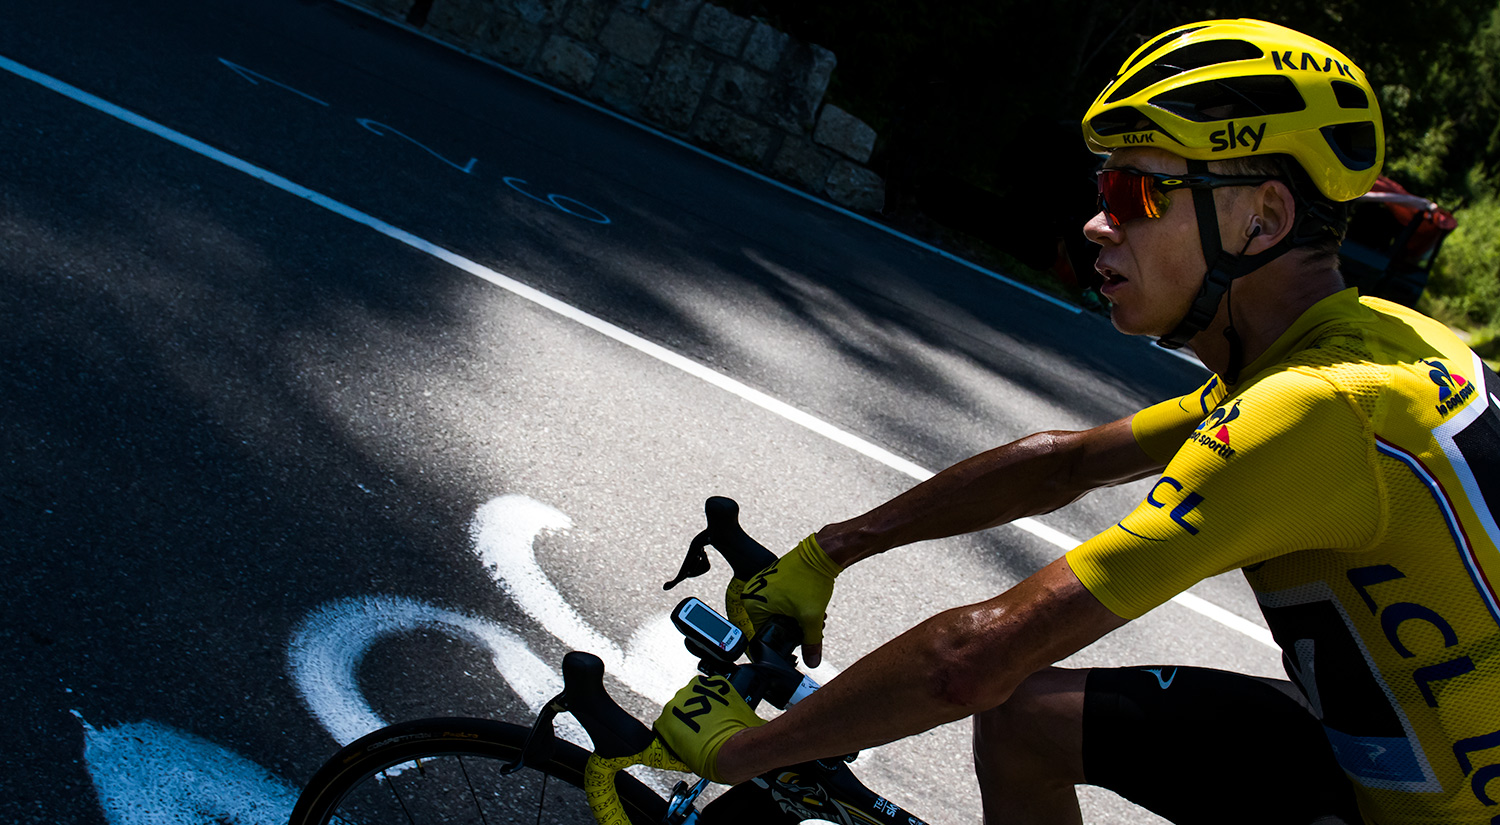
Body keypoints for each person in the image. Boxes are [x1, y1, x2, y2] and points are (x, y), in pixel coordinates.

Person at [655, 19, 1500, 825]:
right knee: (1030, 721)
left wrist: (743, 751)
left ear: (1264, 219)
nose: (1099, 221)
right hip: (1389, 746)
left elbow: (973, 661)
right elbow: (1067, 464)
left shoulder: (1311, 408)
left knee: (1005, 691)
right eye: (1104, 188)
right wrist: (832, 549)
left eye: (1140, 191)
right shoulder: (1369, 345)